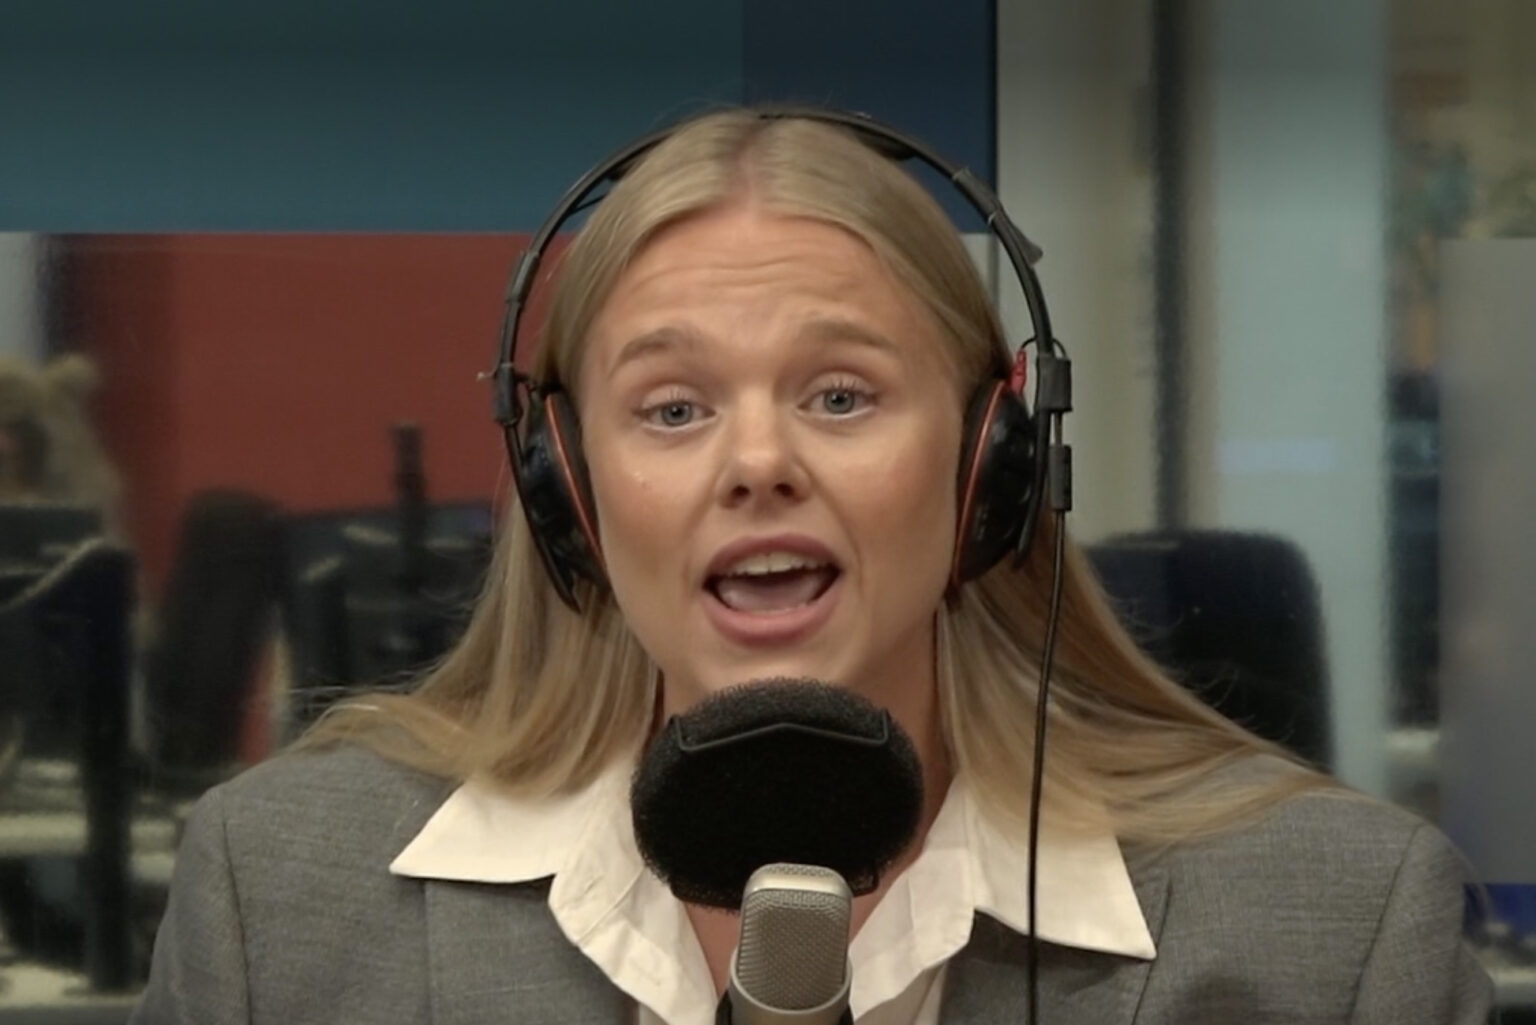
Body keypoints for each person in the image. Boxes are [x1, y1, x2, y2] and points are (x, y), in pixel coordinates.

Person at [131, 107, 1492, 1024]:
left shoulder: (1338, 935)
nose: (757, 462)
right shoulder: (283, 902)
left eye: (840, 395)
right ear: (569, 490)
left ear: (989, 462)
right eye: (673, 408)